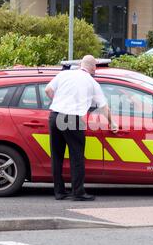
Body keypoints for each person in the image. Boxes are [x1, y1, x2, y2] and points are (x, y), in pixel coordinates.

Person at [45, 55, 117, 201]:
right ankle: (78, 192)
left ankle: (59, 192)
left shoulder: (64, 74)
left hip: (55, 115)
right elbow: (103, 107)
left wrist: (59, 101)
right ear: (93, 67)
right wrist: (112, 123)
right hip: (72, 119)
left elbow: (48, 90)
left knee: (57, 156)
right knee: (76, 156)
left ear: (80, 64)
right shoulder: (91, 82)